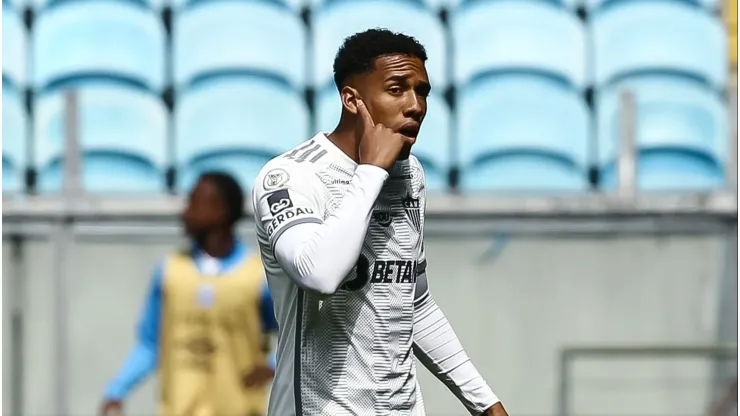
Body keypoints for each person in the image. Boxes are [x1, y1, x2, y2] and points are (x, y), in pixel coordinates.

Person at [252, 29, 508, 416]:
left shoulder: (409, 176)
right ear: (352, 99)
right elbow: (319, 275)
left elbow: (414, 303)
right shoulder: (290, 177)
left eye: (422, 91)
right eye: (396, 89)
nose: (415, 106)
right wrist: (370, 172)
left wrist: (485, 403)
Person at [100, 171, 278, 416]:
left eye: (195, 202)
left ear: (221, 210)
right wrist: (117, 390)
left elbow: (297, 334)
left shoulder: (257, 275)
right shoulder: (170, 271)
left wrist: (273, 364)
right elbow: (150, 343)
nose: (185, 211)